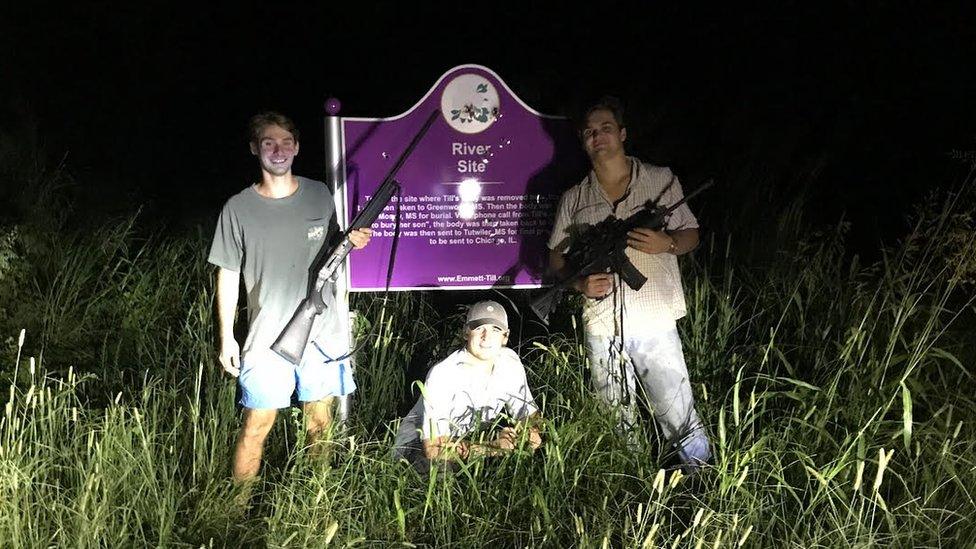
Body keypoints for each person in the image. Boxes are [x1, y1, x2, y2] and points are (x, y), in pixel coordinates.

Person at [208, 111, 373, 484]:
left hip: (322, 333)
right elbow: (228, 274)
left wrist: (351, 240)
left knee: (320, 422)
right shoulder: (237, 209)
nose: (278, 150)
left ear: (297, 148)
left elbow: (332, 248)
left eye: (285, 142)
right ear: (255, 149)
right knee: (256, 425)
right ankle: (234, 513)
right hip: (266, 338)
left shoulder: (319, 194)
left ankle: (317, 503)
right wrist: (226, 337)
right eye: (268, 142)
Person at [547, 96, 711, 470]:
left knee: (676, 408)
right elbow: (555, 257)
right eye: (589, 132)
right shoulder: (574, 198)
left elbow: (691, 234)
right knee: (615, 415)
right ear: (583, 141)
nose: (598, 136)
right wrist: (579, 285)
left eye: (605, 128)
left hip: (653, 317)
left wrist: (666, 243)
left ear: (622, 134)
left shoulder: (660, 179)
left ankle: (702, 479)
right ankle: (632, 483)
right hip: (602, 324)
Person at [393, 300, 542, 470]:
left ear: (505, 337)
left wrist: (529, 432)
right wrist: (494, 447)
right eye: (479, 328)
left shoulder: (510, 362)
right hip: (419, 444)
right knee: (440, 470)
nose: (487, 337)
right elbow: (434, 449)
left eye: (496, 330)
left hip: (471, 438)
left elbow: (530, 414)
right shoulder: (443, 373)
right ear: (466, 333)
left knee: (528, 461)